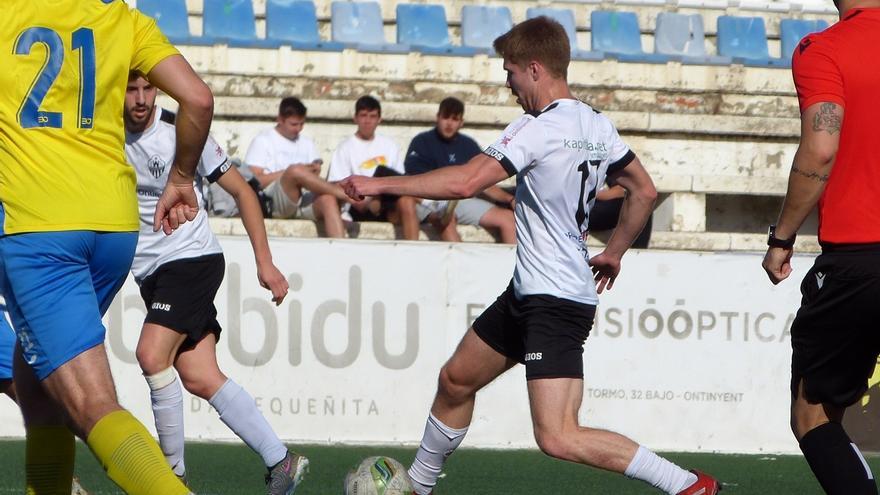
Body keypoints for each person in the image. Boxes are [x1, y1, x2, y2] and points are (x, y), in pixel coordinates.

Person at [341, 17, 719, 495]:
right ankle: (418, 486)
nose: (508, 83)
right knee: (456, 380)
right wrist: (615, 252)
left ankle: (688, 485)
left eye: (511, 72)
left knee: (558, 435)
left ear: (535, 69)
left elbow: (464, 182)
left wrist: (379, 182)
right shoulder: (595, 123)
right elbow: (643, 190)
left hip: (553, 302)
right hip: (532, 292)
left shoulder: (537, 127)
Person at [0, 1, 211, 493]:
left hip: (40, 226)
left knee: (92, 405)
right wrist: (181, 176)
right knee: (37, 382)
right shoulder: (122, 18)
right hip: (113, 228)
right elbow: (198, 99)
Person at [124, 73, 308, 493]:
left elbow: (244, 193)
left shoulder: (181, 131)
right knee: (200, 376)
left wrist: (266, 264)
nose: (140, 98)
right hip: (151, 273)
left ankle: (172, 481)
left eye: (147, 88)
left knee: (152, 356)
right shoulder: (103, 135)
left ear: (158, 89)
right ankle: (282, 461)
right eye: (131, 89)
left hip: (190, 259)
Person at [762, 0, 880, 492]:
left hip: (861, 259)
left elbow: (821, 146)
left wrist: (782, 237)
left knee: (813, 415)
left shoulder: (825, 49)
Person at [329, 96, 459, 242]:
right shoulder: (344, 147)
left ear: (379, 119)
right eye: (363, 116)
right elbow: (337, 184)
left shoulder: (389, 145)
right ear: (355, 118)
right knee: (382, 171)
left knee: (406, 200)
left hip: (385, 201)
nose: (367, 121)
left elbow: (398, 183)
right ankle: (430, 203)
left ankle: (413, 251)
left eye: (372, 116)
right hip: (360, 204)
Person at [405, 97, 516, 244]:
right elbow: (414, 180)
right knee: (446, 220)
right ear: (437, 118)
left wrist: (510, 199)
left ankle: (512, 266)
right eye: (446, 117)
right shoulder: (422, 142)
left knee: (508, 219)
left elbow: (484, 181)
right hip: (430, 201)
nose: (449, 124)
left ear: (461, 122)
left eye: (454, 119)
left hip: (462, 200)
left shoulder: (468, 145)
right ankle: (461, 267)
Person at [245, 97, 351, 238]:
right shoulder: (263, 140)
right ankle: (344, 194)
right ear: (280, 119)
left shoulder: (307, 143)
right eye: (294, 124)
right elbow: (256, 181)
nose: (298, 129)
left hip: (304, 197)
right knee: (295, 170)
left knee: (328, 200)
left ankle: (341, 251)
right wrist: (291, 174)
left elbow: (313, 176)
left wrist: (311, 172)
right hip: (275, 201)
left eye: (302, 124)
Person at [589, 184, 652, 248]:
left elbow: (619, 191)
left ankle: (638, 252)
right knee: (639, 205)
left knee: (641, 205)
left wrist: (595, 194)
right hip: (586, 210)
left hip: (603, 205)